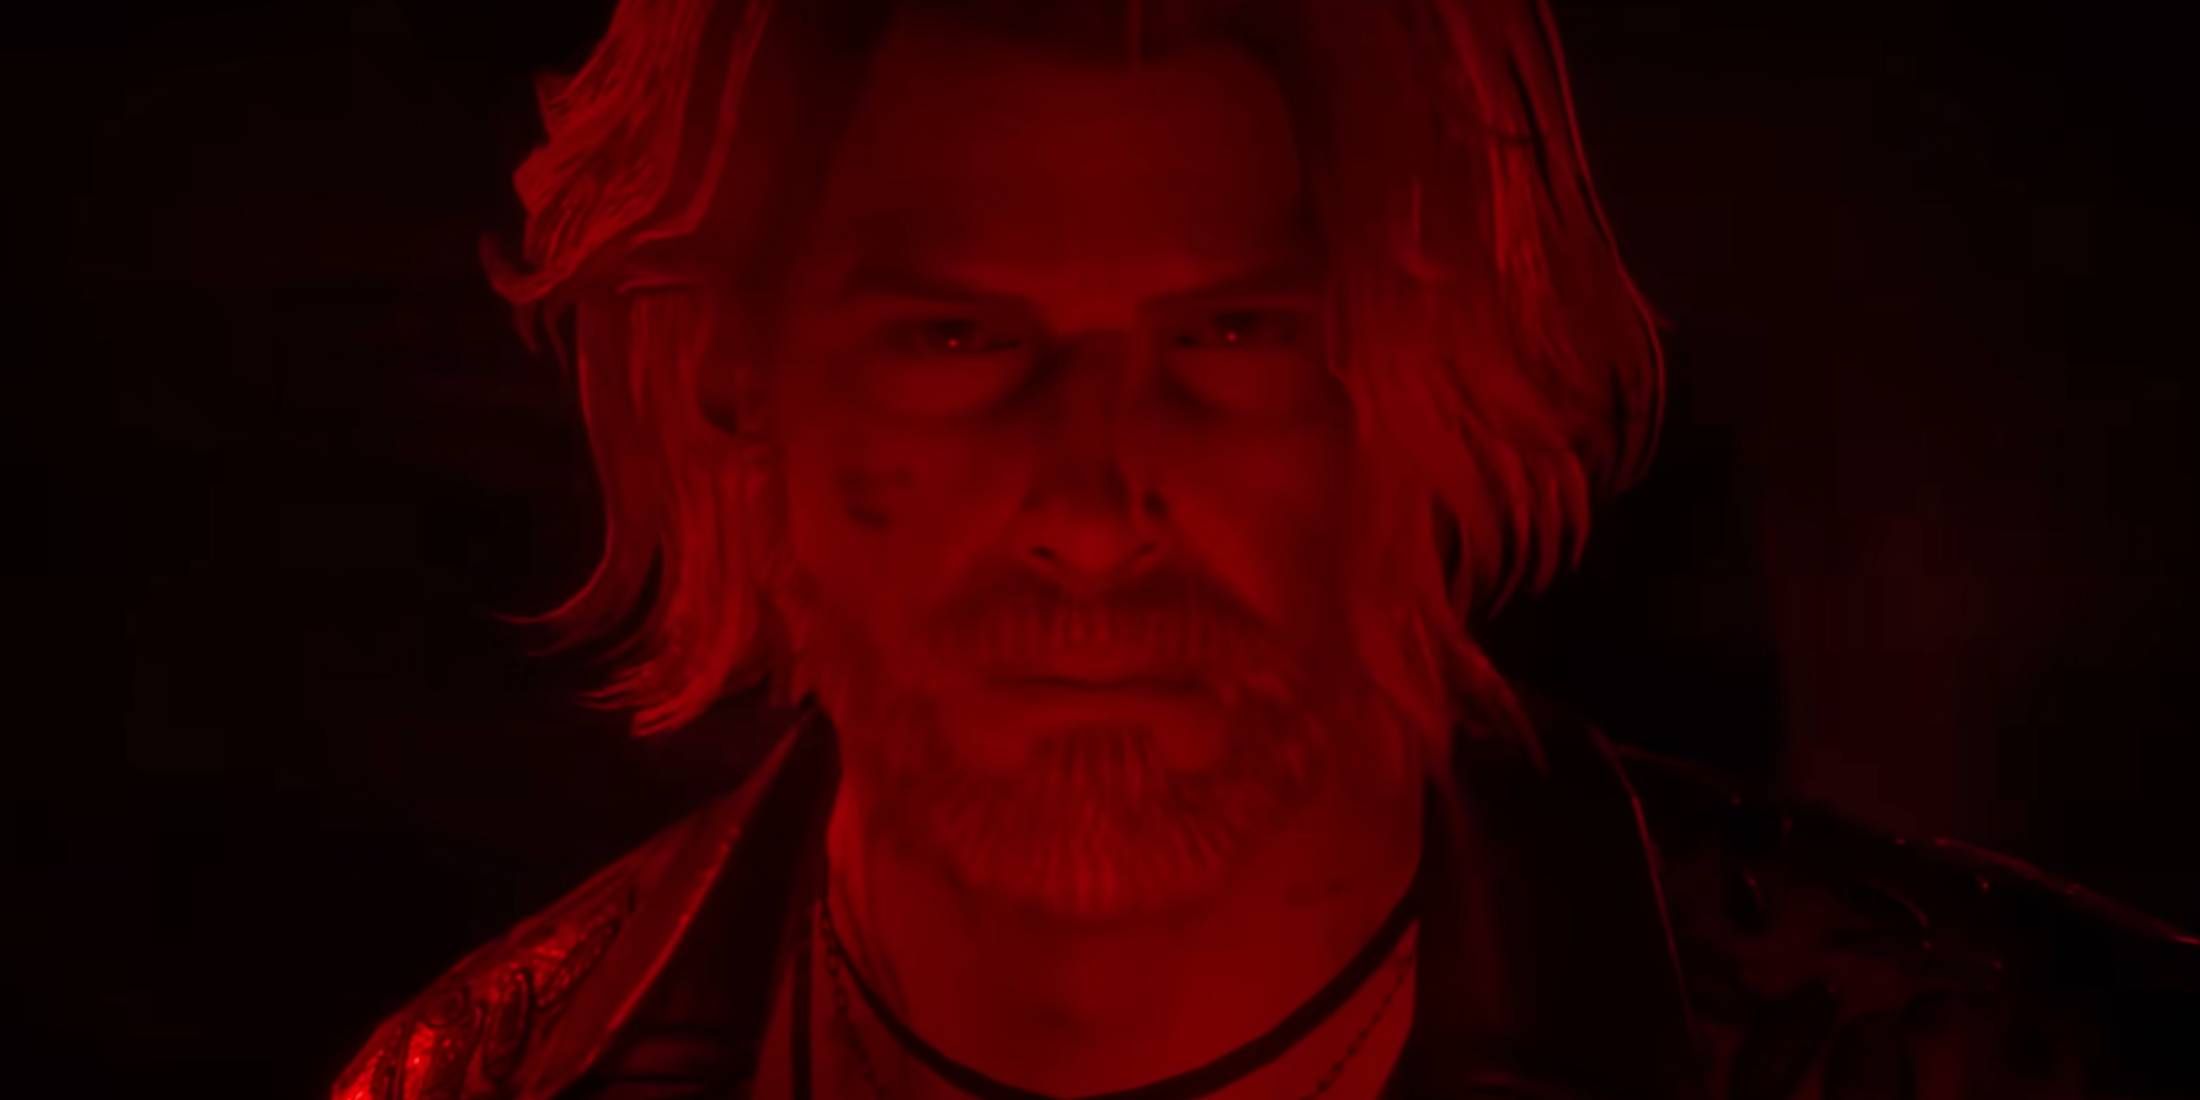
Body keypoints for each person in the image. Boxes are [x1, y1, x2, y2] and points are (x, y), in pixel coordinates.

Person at [333, 1, 2200, 1097]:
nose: (1093, 512)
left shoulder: (1999, 1068)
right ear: (734, 381)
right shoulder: (484, 1088)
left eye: (1230, 340)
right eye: (959, 343)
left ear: (1416, 372)